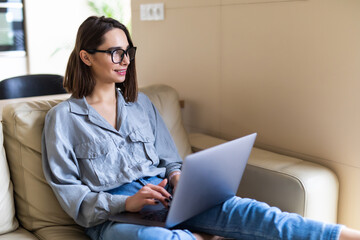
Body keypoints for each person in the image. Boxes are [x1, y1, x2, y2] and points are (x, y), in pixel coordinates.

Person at [41, 16, 360, 240]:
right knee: (154, 239)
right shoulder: (64, 119)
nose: (126, 60)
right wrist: (127, 202)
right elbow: (73, 199)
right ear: (86, 56)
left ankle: (346, 235)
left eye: (129, 51)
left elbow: (170, 161)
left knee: (252, 212)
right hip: (112, 218)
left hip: (168, 200)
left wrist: (179, 177)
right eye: (116, 52)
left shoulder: (142, 105)